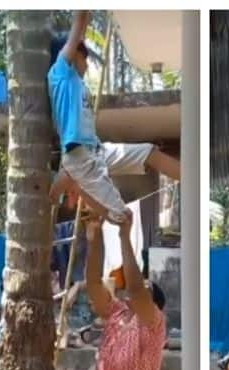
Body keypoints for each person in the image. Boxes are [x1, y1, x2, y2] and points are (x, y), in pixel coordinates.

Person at [46, 10, 180, 224]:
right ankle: (68, 180)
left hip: (97, 150)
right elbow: (79, 22)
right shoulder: (60, 73)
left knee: (149, 153)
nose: (88, 64)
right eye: (85, 57)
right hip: (79, 155)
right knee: (123, 217)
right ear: (74, 55)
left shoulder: (78, 84)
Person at [85, 213, 167, 370]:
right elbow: (92, 283)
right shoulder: (116, 314)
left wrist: (124, 235)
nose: (142, 286)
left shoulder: (154, 324)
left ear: (154, 302)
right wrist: (96, 235)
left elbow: (134, 288)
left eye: (147, 287)